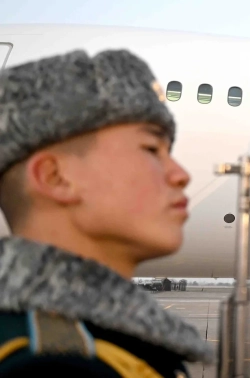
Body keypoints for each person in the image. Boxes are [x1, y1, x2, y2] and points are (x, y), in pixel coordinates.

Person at [0, 49, 212, 376]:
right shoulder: (54, 366)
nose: (181, 175)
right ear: (55, 177)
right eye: (151, 149)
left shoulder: (109, 342)